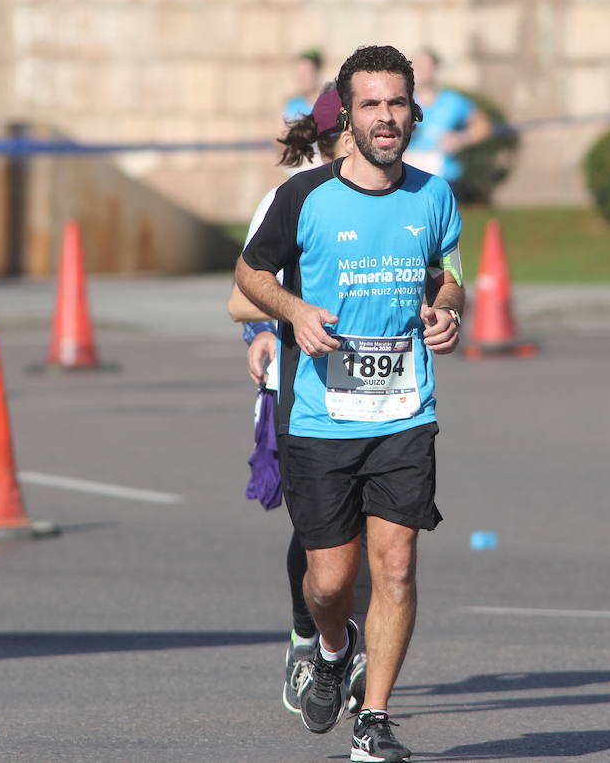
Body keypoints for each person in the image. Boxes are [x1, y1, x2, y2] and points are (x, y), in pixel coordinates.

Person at [236, 45, 465, 763]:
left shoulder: (434, 195)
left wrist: (447, 311)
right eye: (371, 105)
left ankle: (375, 719)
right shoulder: (304, 198)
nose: (386, 117)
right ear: (348, 117)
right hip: (318, 415)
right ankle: (331, 646)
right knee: (331, 580)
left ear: (413, 111)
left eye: (397, 103)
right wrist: (291, 313)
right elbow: (248, 274)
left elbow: (448, 272)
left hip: (405, 411)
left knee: (394, 567)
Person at [228, 87, 368, 717]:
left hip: (374, 387)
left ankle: (348, 655)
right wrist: (264, 330)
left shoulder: (389, 193)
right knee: (320, 529)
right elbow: (241, 293)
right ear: (334, 134)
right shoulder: (294, 195)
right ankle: (307, 634)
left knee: (372, 529)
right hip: (302, 383)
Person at [402, 47, 491, 184]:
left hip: (445, 176)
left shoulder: (453, 101)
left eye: (427, 66)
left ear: (436, 68)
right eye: (418, 66)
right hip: (408, 174)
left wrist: (460, 138)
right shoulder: (401, 100)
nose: (422, 71)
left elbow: (484, 126)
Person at [282, 49, 324, 123]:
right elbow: (281, 132)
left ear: (317, 73)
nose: (301, 78)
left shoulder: (330, 106)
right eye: (299, 74)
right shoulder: (291, 105)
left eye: (306, 73)